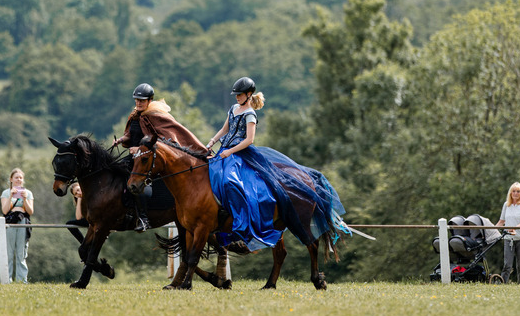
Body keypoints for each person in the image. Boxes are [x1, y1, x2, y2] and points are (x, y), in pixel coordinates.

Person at [205, 76, 347, 250]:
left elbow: (249, 140)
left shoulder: (250, 114)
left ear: (249, 95)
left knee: (230, 182)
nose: (237, 97)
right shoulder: (233, 108)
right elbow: (225, 129)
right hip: (224, 152)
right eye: (236, 94)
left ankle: (240, 229)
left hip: (239, 155)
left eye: (240, 94)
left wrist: (230, 151)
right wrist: (212, 141)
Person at [110, 83, 207, 232]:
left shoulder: (156, 116)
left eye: (142, 100)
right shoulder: (135, 115)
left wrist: (139, 149)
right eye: (136, 100)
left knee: (141, 185)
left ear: (150, 100)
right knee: (114, 171)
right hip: (134, 156)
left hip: (148, 159)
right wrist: (121, 140)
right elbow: (131, 134)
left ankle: (143, 218)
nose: (138, 103)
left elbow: (161, 141)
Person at [0, 168, 34, 283]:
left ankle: (22, 281)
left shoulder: (28, 193)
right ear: (11, 179)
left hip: (23, 221)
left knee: (21, 253)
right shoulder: (5, 193)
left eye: (20, 178)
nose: (18, 180)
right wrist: (10, 196)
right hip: (10, 222)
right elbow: (5, 211)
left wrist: (24, 199)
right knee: (9, 253)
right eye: (16, 177)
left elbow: (30, 211)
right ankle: (7, 280)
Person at [494, 182, 520, 283]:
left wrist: (515, 227)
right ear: (510, 193)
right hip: (508, 238)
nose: (515, 193)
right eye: (513, 191)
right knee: (507, 265)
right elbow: (501, 221)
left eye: (518, 191)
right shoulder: (506, 205)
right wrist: (492, 230)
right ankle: (502, 284)